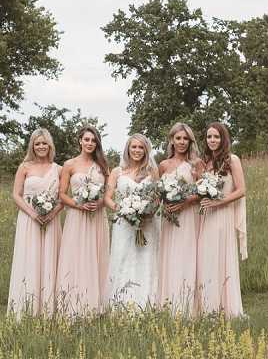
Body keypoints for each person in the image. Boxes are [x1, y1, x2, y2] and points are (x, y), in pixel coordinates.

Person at [7, 128, 63, 319]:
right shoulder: (25, 167)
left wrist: (51, 213)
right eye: (37, 143)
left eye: (44, 143)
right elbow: (16, 194)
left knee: (49, 258)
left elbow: (63, 198)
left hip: (51, 220)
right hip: (29, 220)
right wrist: (32, 213)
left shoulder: (58, 169)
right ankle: (26, 307)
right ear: (32, 145)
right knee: (29, 258)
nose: (41, 147)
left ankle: (48, 310)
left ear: (50, 146)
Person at [56, 125, 110, 315]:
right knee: (76, 256)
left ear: (97, 143)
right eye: (86, 139)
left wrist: (100, 203)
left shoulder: (103, 165)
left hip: (96, 217)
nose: (90, 143)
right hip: (77, 217)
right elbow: (62, 194)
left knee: (96, 256)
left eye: (93, 140)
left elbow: (108, 195)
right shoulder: (69, 164)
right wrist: (79, 205)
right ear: (80, 141)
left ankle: (96, 304)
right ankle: (72, 303)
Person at [196, 122, 247, 318]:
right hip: (206, 217)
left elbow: (241, 190)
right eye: (209, 137)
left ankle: (228, 307)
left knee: (222, 257)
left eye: (216, 137)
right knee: (206, 259)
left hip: (222, 215)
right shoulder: (204, 163)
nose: (212, 140)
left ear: (223, 138)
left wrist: (219, 202)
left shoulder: (232, 160)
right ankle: (209, 307)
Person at [104, 134, 160, 308]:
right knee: (123, 258)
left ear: (146, 150)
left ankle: (146, 301)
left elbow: (157, 197)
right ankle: (120, 301)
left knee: (145, 258)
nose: (137, 150)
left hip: (147, 223)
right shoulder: (117, 172)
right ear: (127, 149)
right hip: (124, 224)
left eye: (140, 147)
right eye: (133, 147)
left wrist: (148, 213)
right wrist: (122, 210)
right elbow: (107, 197)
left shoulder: (151, 172)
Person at [158, 122, 203, 315]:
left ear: (190, 141)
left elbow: (202, 192)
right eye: (178, 138)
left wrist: (184, 202)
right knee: (170, 256)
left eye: (186, 138)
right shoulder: (163, 165)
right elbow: (158, 193)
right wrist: (165, 204)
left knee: (186, 255)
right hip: (169, 218)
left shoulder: (196, 164)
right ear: (171, 140)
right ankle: (169, 302)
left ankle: (188, 304)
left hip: (188, 216)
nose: (182, 142)